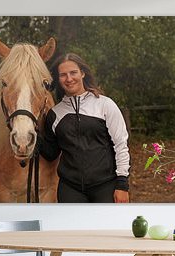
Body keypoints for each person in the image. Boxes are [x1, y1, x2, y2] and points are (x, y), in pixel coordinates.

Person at [39, 53, 130, 203]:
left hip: (105, 185)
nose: (69, 79)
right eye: (63, 75)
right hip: (70, 188)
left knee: (106, 227)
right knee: (73, 228)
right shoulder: (55, 113)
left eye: (73, 72)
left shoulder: (104, 104)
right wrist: (32, 137)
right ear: (58, 79)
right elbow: (51, 153)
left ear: (82, 73)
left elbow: (121, 145)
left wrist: (122, 184)